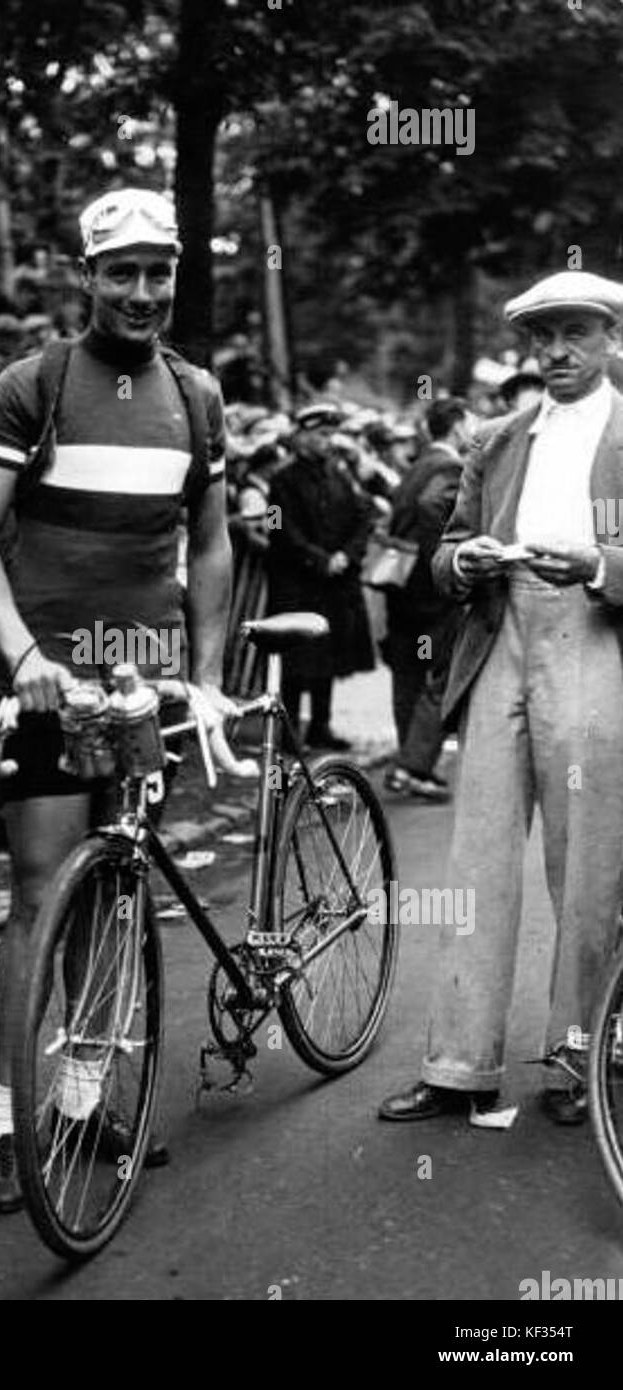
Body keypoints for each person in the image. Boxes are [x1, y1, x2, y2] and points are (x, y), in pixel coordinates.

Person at [0, 186, 233, 1213]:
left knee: (114, 893)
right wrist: (23, 652)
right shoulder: (32, 384)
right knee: (39, 892)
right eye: (122, 271)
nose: (142, 291)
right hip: (49, 685)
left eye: (159, 271)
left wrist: (200, 671)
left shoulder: (199, 397)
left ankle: (79, 1102)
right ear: (88, 277)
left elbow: (208, 541)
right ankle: (3, 1123)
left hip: (140, 688)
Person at [379, 269, 623, 1128]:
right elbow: (441, 556)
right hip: (499, 636)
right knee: (477, 861)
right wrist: (467, 561)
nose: (556, 351)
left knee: (587, 864)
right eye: (542, 335)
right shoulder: (498, 434)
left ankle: (575, 1061)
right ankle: (458, 1066)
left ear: (606, 338)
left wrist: (596, 565)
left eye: (574, 333)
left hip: (593, 635)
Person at [265, 402, 376, 749]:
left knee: (328, 656)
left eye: (331, 435)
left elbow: (364, 516)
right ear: (303, 436)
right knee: (297, 660)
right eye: (321, 435)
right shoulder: (281, 480)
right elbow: (278, 528)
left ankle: (321, 725)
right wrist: (318, 559)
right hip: (298, 583)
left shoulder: (340, 474)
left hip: (334, 585)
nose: (327, 442)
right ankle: (290, 730)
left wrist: (346, 555)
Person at [383, 397, 472, 799]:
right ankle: (413, 766)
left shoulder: (415, 464)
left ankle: (408, 761)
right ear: (456, 427)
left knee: (409, 676)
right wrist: (446, 557)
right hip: (431, 592)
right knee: (442, 677)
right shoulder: (449, 467)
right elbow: (431, 505)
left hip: (400, 588)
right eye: (469, 424)